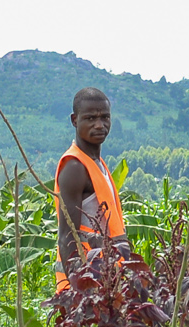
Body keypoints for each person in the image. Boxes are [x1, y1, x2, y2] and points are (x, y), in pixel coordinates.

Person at [55, 88, 136, 290]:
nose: (99, 125)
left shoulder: (97, 165)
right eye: (90, 118)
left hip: (107, 279)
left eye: (105, 117)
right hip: (89, 286)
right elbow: (67, 237)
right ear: (75, 120)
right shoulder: (75, 167)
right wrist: (82, 294)